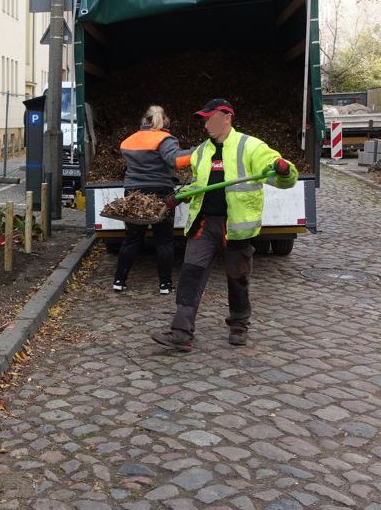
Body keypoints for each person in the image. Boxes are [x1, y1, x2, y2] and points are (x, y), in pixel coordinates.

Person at [151, 99, 298, 352]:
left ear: (226, 117)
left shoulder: (251, 146)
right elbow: (200, 184)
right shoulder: (201, 151)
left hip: (236, 227)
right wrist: (181, 195)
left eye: (210, 118)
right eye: (205, 119)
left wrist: (285, 170)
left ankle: (239, 325)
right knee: (190, 275)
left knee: (237, 278)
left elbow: (283, 177)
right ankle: (181, 333)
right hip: (204, 224)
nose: (206, 124)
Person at [112, 105, 191, 294]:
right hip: (160, 192)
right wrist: (198, 151)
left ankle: (119, 280)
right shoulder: (165, 139)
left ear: (145, 120)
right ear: (163, 120)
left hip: (133, 192)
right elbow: (176, 161)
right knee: (163, 240)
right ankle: (165, 284)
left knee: (132, 238)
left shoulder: (129, 141)